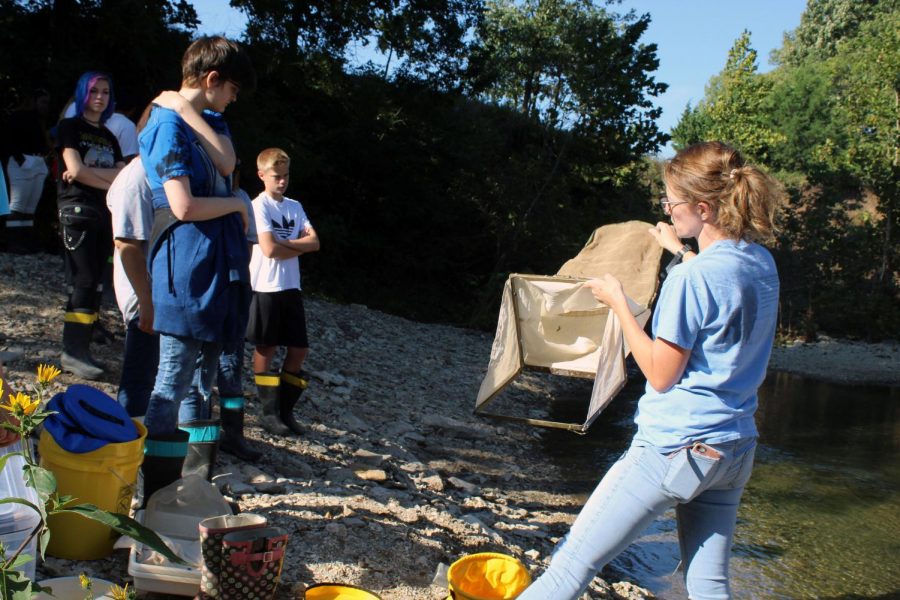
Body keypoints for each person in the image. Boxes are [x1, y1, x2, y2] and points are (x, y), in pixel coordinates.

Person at [518, 141, 783, 600]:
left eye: (671, 202)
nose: (666, 209)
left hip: (675, 448)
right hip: (735, 448)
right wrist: (678, 251)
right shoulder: (760, 262)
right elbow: (718, 291)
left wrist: (619, 303)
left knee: (570, 566)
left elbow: (661, 374)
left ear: (702, 208)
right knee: (709, 585)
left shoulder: (690, 279)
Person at [138, 36, 255, 500]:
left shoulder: (202, 119)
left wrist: (189, 111)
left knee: (201, 379)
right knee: (172, 377)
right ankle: (155, 490)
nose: (232, 100)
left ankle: (189, 487)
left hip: (219, 268)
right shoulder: (165, 127)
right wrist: (234, 206)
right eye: (231, 90)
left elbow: (227, 160)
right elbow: (182, 206)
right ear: (212, 80)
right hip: (185, 267)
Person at [56, 72, 126, 380]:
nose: (100, 96)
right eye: (94, 91)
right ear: (83, 93)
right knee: (83, 279)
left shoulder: (111, 137)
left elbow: (123, 176)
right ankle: (72, 352)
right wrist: (95, 175)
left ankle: (83, 349)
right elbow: (74, 169)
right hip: (77, 211)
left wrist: (87, 173)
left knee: (97, 281)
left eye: (106, 92)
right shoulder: (69, 128)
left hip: (104, 212)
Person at [248, 148, 320, 436]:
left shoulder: (294, 206)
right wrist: (296, 244)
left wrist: (285, 245)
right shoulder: (258, 205)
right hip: (265, 285)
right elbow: (268, 249)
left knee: (299, 348)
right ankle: (268, 412)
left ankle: (286, 410)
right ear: (262, 176)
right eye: (276, 176)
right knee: (266, 347)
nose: (282, 182)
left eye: (286, 176)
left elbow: (314, 243)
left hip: (291, 285)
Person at [3, 88, 51, 253]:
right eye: (43, 102)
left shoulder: (39, 120)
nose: (46, 106)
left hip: (37, 161)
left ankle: (25, 241)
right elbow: (7, 139)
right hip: (21, 161)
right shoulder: (18, 117)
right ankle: (14, 242)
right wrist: (19, 158)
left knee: (30, 206)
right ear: (34, 101)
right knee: (17, 205)